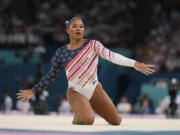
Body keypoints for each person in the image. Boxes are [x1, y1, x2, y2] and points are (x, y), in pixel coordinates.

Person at [17, 17, 155, 125]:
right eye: (74, 26)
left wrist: (134, 64)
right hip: (75, 92)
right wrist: (34, 90)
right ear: (68, 30)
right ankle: (79, 114)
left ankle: (87, 107)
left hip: (95, 89)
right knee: (88, 120)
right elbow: (51, 75)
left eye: (81, 26)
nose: (78, 28)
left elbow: (112, 56)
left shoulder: (93, 44)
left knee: (116, 121)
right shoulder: (61, 52)